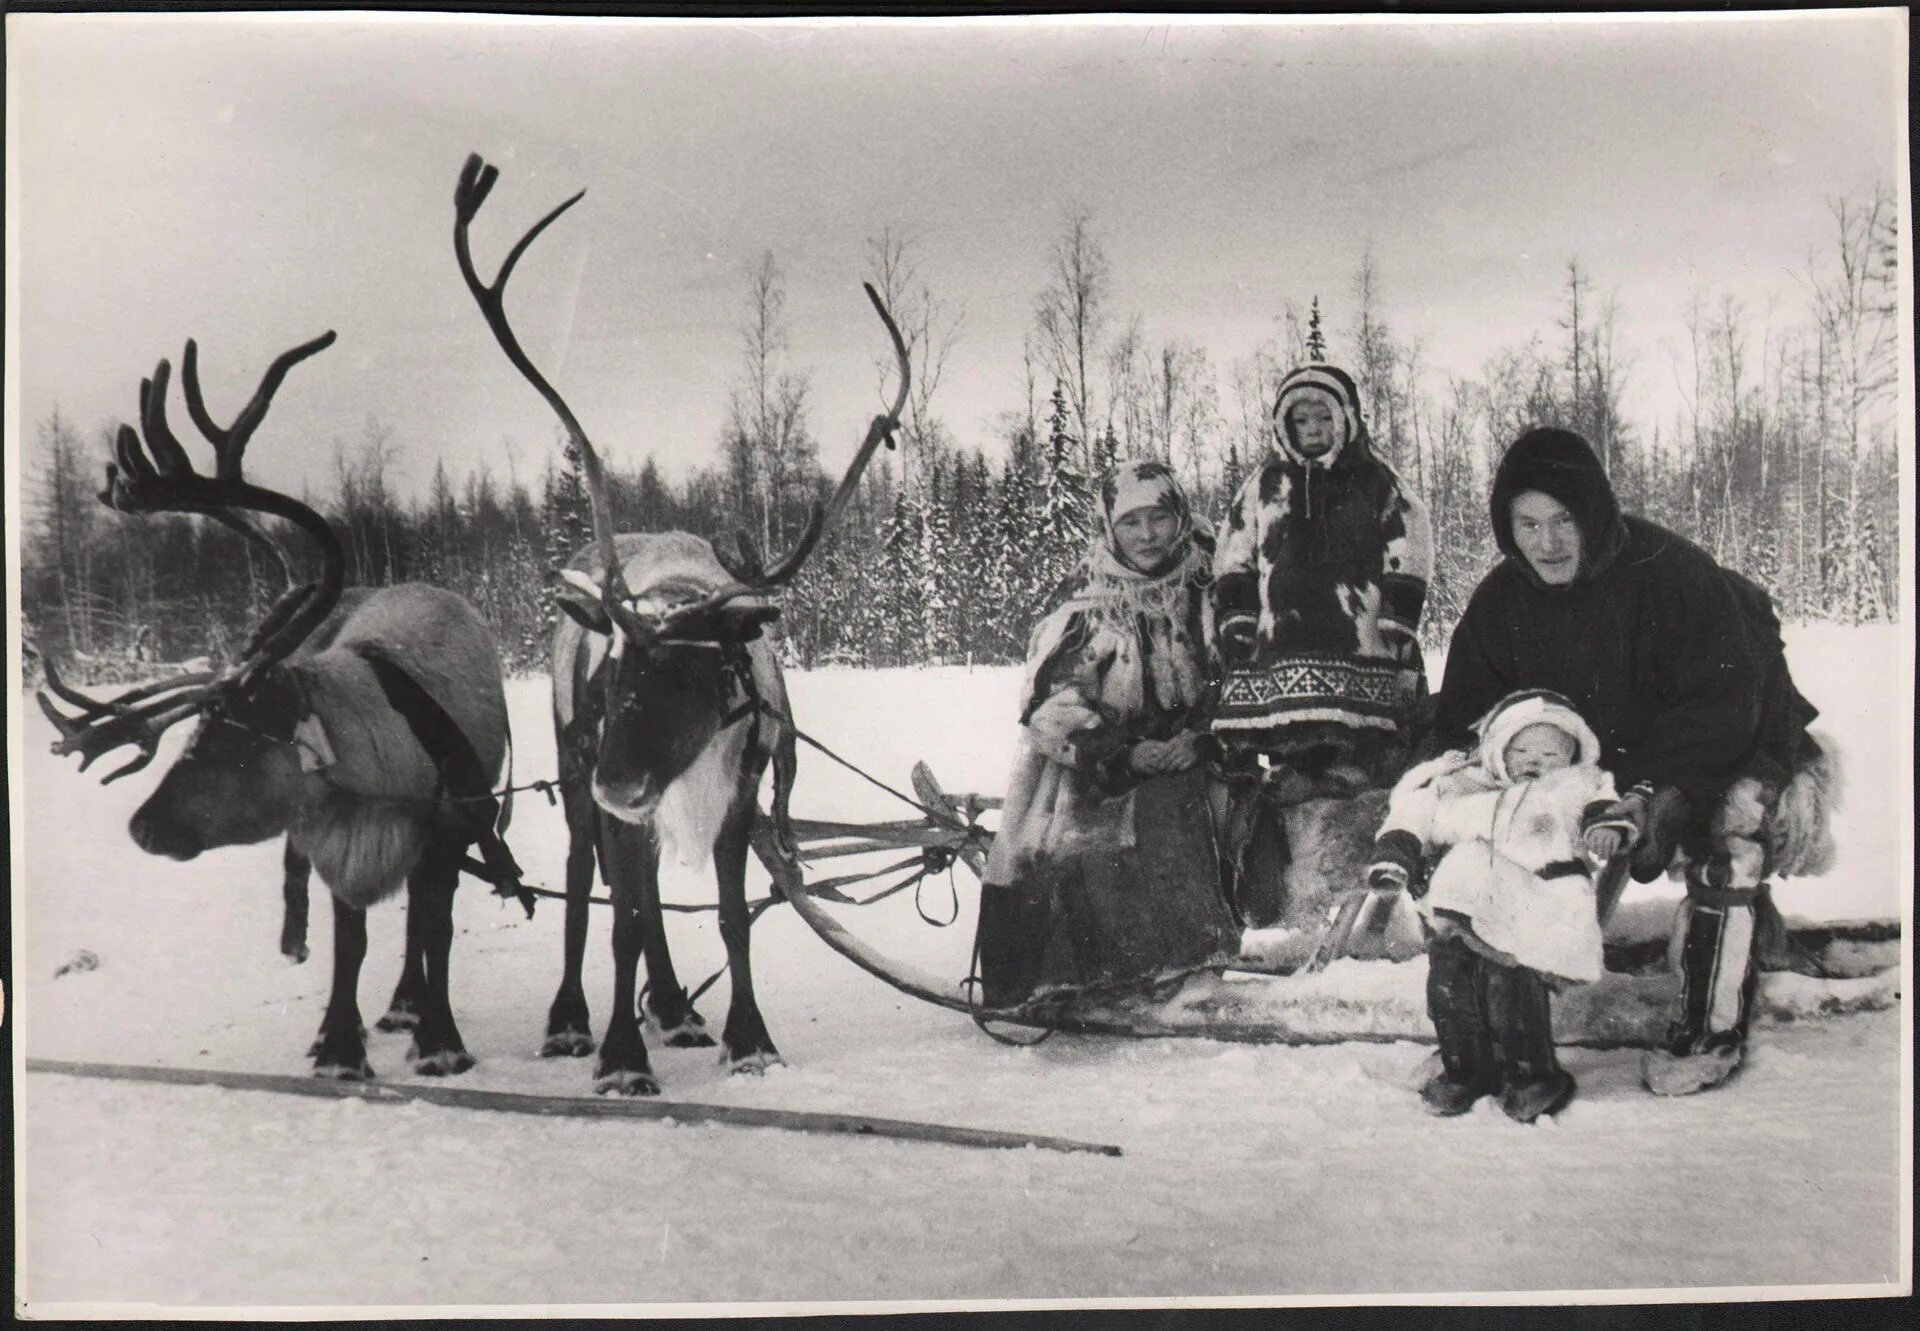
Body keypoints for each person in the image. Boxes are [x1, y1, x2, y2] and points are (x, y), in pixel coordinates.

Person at [1426, 426, 1835, 1096]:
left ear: (1594, 515)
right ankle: (1486, 1034)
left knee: (1728, 831)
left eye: (1564, 520)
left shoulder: (1672, 574)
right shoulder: (1500, 600)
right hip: (1601, 763)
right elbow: (1470, 714)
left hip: (1724, 739)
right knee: (1504, 841)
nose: (1547, 542)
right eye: (1526, 523)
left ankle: (1710, 1030)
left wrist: (1659, 793)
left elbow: (1728, 702)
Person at [976, 461, 1239, 1013]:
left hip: (1196, 751)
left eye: (1160, 518)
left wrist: (1202, 736)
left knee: (1181, 801)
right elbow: (1051, 709)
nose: (1147, 536)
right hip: (1095, 762)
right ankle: (1093, 979)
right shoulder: (1087, 605)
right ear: (1109, 530)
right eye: (1131, 523)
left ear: (1181, 518)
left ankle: (1188, 966)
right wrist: (1125, 752)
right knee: (1085, 838)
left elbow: (1236, 679)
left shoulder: (1211, 594)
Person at [1367, 689, 1643, 1121]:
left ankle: (1533, 1075)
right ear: (1499, 750)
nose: (1536, 761)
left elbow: (1600, 805)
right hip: (1459, 909)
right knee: (1450, 988)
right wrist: (1396, 857)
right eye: (1523, 750)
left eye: (1553, 753)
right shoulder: (1461, 785)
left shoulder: (1572, 787)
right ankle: (1465, 1071)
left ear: (1573, 758)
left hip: (1529, 911)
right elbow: (1413, 817)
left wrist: (1605, 827)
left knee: (1509, 988)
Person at [1211, 363, 1433, 800]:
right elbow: (1236, 544)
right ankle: (1296, 769)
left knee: (1362, 718)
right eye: (1301, 420)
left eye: (1325, 417)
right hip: (1284, 630)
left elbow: (1410, 535)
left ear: (1346, 417)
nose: (1313, 429)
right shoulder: (1265, 483)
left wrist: (1399, 610)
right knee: (1291, 714)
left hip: (1358, 627)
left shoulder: (1374, 478)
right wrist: (1237, 613)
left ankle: (1353, 770)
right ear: (1284, 425)